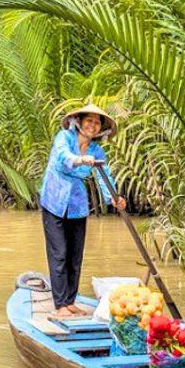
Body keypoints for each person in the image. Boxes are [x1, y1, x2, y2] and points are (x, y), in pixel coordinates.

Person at [39, 103, 127, 318]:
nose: (93, 126)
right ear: (79, 121)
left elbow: (104, 177)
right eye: (89, 121)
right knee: (59, 253)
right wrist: (79, 159)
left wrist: (114, 198)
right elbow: (63, 156)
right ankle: (60, 304)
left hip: (77, 204)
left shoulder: (97, 151)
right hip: (54, 199)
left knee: (75, 256)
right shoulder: (64, 138)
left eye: (97, 123)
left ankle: (70, 301)